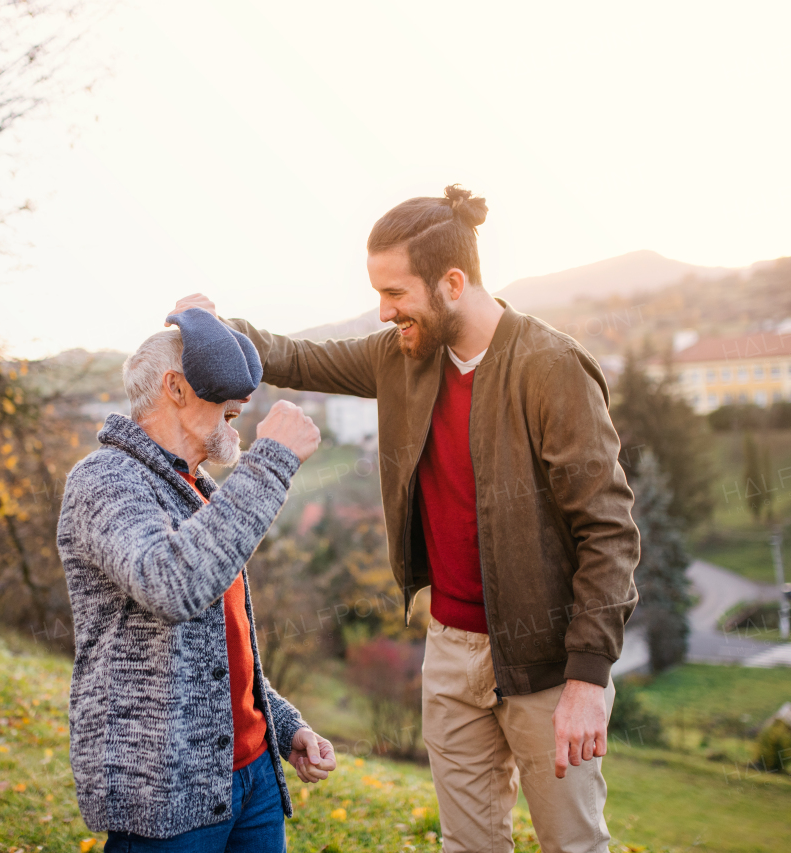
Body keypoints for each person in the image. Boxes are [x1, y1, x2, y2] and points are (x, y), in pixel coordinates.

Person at [168, 185, 641, 853]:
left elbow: (609, 530)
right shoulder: (403, 356)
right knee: (466, 844)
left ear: (453, 282)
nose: (384, 312)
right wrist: (211, 326)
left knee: (573, 845)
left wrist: (589, 678)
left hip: (549, 663)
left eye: (395, 294)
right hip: (451, 650)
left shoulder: (550, 366)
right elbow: (297, 357)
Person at [57, 312, 337, 853]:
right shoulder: (104, 481)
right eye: (226, 398)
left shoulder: (201, 488)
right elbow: (173, 586)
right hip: (170, 796)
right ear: (176, 388)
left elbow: (221, 652)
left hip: (253, 780)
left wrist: (282, 726)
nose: (243, 409)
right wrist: (272, 460)